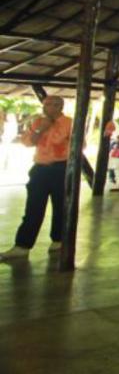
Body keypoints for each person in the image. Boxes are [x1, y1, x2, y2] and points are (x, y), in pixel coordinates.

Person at [1, 96, 72, 261]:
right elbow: (28, 143)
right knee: (33, 208)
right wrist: (41, 129)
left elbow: (79, 145)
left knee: (61, 207)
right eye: (46, 105)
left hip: (61, 168)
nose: (49, 108)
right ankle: (22, 246)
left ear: (60, 107)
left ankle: (58, 240)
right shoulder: (38, 122)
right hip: (40, 169)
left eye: (54, 105)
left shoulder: (69, 123)